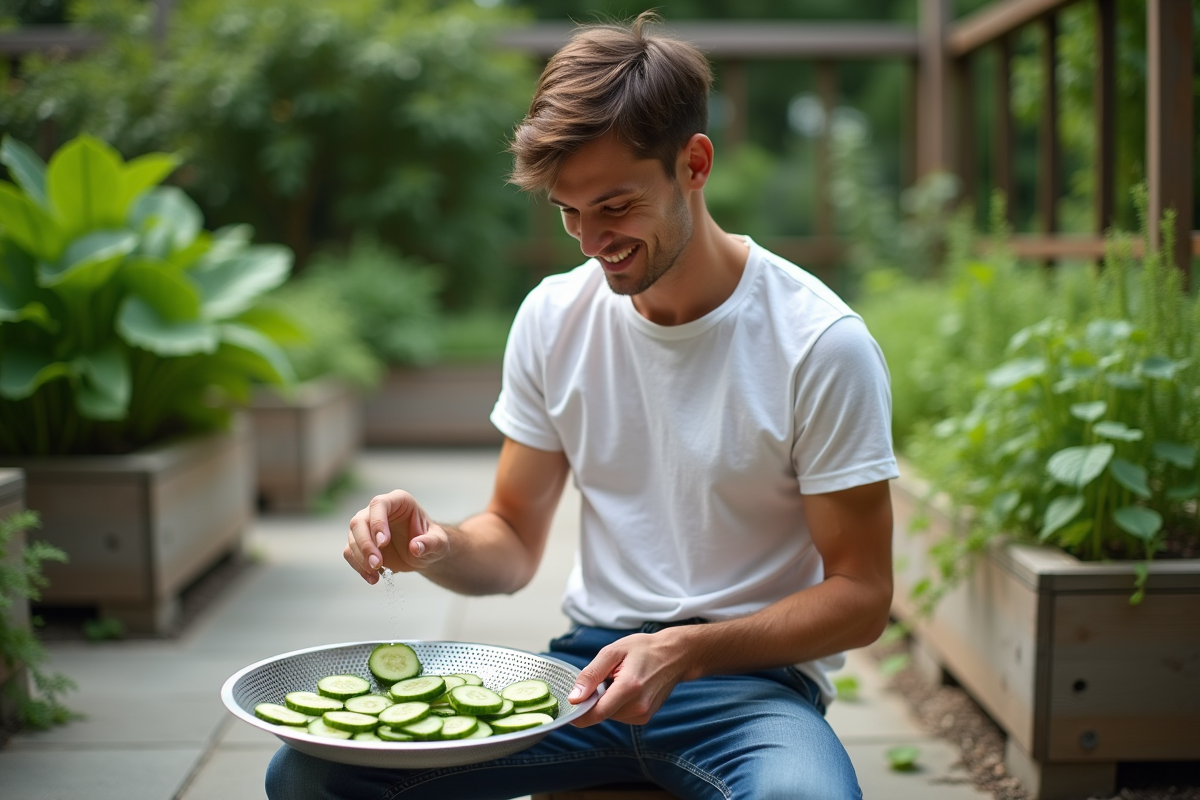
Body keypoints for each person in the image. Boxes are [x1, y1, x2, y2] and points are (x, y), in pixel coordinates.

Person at [266, 12, 897, 800]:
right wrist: (433, 544)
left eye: (616, 206)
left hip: (747, 687)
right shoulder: (553, 317)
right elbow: (512, 538)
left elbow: (861, 597)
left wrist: (686, 650)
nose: (592, 241)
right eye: (570, 212)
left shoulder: (819, 343)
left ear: (694, 165)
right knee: (310, 775)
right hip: (584, 678)